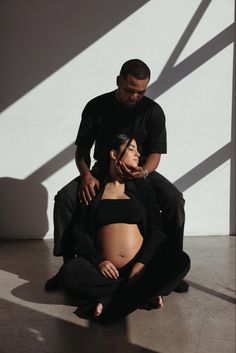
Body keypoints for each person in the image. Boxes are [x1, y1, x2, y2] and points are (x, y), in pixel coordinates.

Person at [46, 58, 188, 292]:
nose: (134, 97)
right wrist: (86, 176)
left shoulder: (153, 111)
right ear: (118, 81)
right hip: (104, 170)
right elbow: (82, 152)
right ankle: (68, 266)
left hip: (139, 170)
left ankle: (167, 264)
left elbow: (154, 154)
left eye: (140, 92)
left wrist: (144, 171)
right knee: (64, 199)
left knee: (174, 200)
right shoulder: (96, 106)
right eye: (129, 90)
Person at [59, 135, 190, 324]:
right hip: (105, 271)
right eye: (131, 149)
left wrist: (142, 264)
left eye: (138, 150)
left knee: (181, 261)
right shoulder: (94, 188)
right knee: (70, 272)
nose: (138, 154)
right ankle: (143, 295)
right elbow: (81, 232)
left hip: (140, 269)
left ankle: (106, 300)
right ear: (114, 154)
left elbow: (157, 231)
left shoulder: (142, 187)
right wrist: (100, 261)